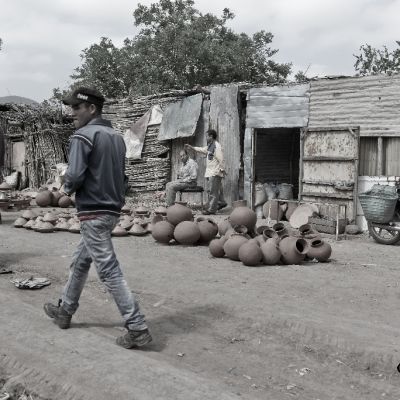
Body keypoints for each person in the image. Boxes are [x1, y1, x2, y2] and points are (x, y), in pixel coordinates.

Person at [43, 87, 151, 349]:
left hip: (92, 211)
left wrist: (63, 189)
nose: (72, 114)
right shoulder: (116, 138)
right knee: (80, 262)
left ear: (91, 108)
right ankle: (65, 311)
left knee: (108, 269)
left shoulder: (83, 136)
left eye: (76, 108)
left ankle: (136, 327)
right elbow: (123, 179)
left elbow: (76, 175)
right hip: (111, 211)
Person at [185, 129, 227, 215]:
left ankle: (211, 210)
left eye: (207, 136)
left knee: (212, 192)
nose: (206, 138)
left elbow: (221, 159)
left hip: (215, 172)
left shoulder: (217, 146)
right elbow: (203, 150)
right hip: (210, 172)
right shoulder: (210, 146)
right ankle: (221, 202)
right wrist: (192, 148)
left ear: (211, 136)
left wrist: (222, 170)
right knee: (214, 190)